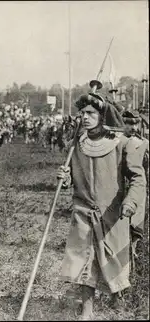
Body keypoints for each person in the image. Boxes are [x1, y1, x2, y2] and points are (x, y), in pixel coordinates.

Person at [56, 93, 146, 320]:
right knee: (86, 259)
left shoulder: (122, 144)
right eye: (82, 113)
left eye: (90, 113)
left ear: (102, 115)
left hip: (113, 214)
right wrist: (65, 178)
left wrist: (131, 201)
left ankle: (119, 300)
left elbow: (137, 178)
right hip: (83, 212)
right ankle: (87, 309)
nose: (84, 118)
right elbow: (73, 177)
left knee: (114, 260)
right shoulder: (77, 145)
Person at [121, 110, 149, 264]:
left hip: (137, 188)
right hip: (120, 188)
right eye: (129, 123)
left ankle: (133, 252)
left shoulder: (143, 143)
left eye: (135, 124)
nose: (133, 127)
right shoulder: (117, 143)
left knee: (136, 222)